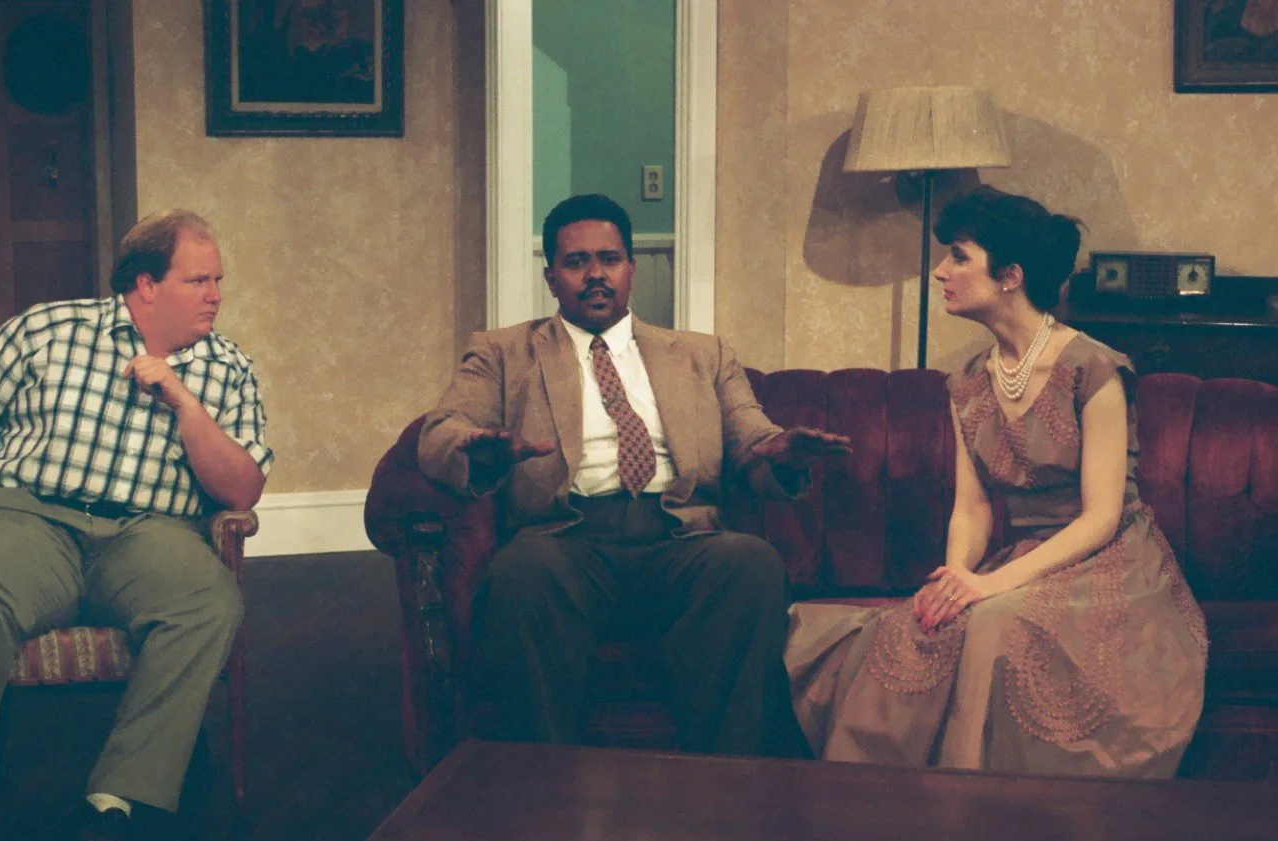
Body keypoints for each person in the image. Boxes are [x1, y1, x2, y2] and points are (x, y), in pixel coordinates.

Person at [0, 209, 272, 841]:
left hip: (147, 533)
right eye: (198, 280)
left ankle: (114, 803)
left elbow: (242, 489)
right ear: (145, 284)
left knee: (209, 603)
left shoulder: (227, 366)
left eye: (218, 280)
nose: (216, 294)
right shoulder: (48, 330)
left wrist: (186, 405)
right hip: (28, 518)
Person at [784, 186, 1207, 777]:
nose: (940, 272)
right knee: (926, 627)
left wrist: (989, 587)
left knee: (990, 624)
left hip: (1110, 563)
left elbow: (1102, 516)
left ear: (1010, 275)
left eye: (958, 256)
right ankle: (883, 819)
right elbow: (973, 508)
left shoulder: (1094, 368)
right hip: (1025, 560)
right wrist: (958, 576)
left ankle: (979, 821)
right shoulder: (966, 380)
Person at [418, 193, 850, 756]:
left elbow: (751, 436)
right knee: (520, 572)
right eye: (576, 263)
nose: (595, 275)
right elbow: (440, 432)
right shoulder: (503, 352)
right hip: (566, 539)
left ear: (631, 269)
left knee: (749, 563)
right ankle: (543, 784)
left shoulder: (702, 354)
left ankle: (724, 782)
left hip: (679, 538)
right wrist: (479, 450)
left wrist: (780, 452)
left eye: (609, 259)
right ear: (551, 277)